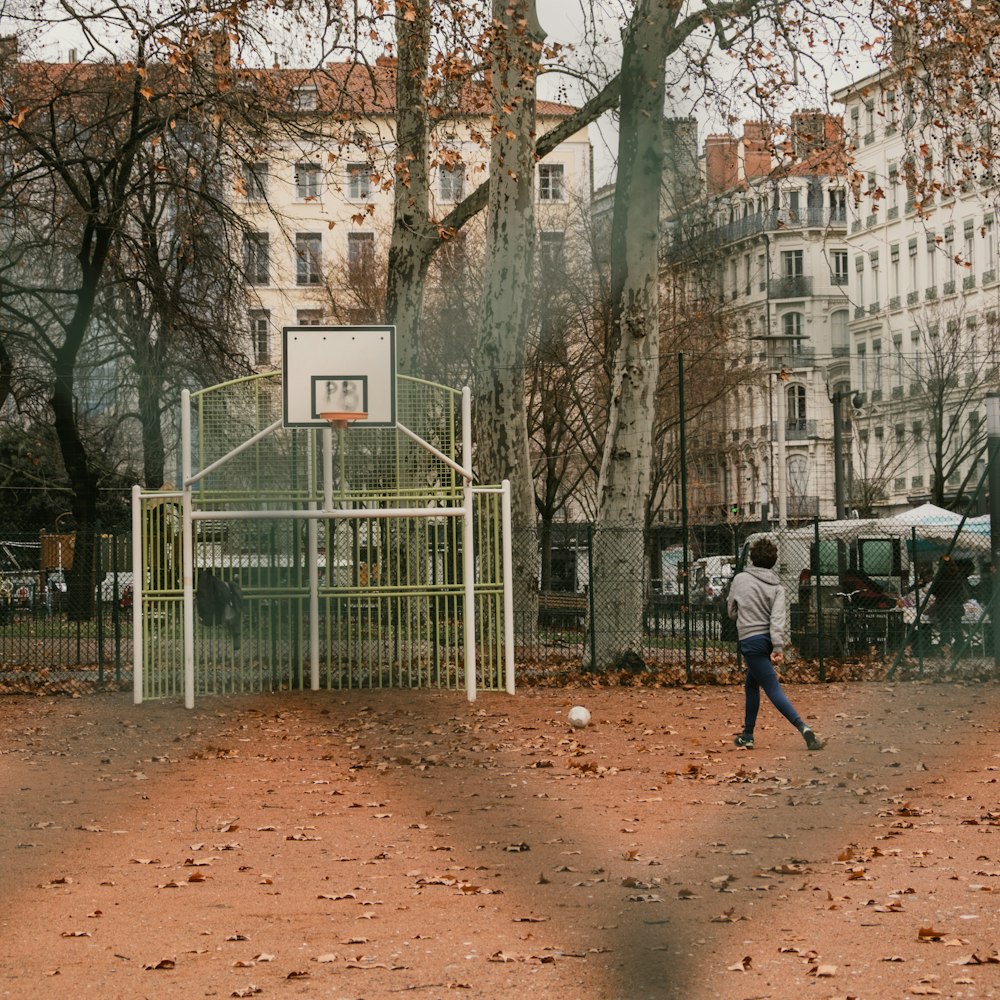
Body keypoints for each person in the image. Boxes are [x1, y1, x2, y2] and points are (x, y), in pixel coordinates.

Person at [727, 537, 823, 751]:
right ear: (773, 561)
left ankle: (803, 727)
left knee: (772, 688)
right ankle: (748, 735)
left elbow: (731, 612)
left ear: (751, 558)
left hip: (750, 641)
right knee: (752, 684)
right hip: (767, 642)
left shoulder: (740, 579)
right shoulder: (777, 587)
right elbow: (777, 618)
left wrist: (744, 614)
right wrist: (778, 646)